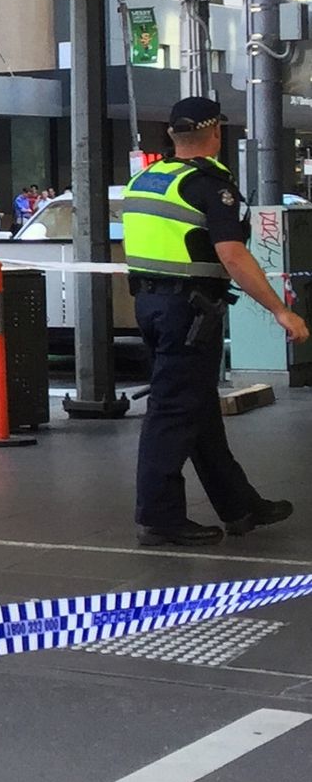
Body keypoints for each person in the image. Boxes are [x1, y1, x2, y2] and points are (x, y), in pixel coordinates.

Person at [123, 97, 306, 546]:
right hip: (189, 312)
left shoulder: (146, 178)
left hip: (151, 306)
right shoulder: (209, 185)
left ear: (171, 135)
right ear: (216, 133)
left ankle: (241, 506)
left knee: (198, 409)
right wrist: (279, 309)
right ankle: (160, 517)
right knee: (171, 413)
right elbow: (232, 254)